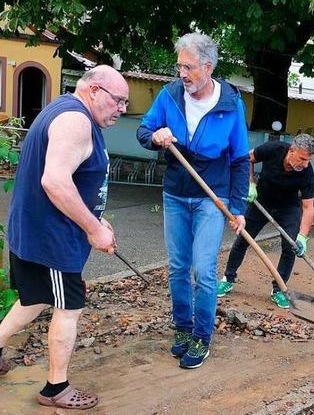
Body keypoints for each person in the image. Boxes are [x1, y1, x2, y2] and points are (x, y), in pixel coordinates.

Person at [0, 65, 127, 409]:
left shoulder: (61, 108)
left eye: (125, 104)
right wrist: (93, 228)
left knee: (35, 298)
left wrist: (99, 222)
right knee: (69, 307)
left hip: (36, 231)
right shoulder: (76, 121)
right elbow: (55, 182)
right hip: (53, 241)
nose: (121, 109)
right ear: (95, 90)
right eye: (118, 101)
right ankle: (56, 388)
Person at [137, 33, 249, 369]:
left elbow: (241, 158)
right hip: (175, 192)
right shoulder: (170, 95)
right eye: (179, 66)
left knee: (203, 269)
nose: (182, 73)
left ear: (208, 67)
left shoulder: (230, 103)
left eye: (188, 67)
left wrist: (239, 207)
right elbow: (144, 130)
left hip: (211, 198)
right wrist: (156, 137)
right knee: (177, 268)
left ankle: (202, 336)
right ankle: (183, 330)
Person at [218, 133, 314, 309]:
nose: (305, 164)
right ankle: (228, 278)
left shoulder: (306, 172)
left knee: (290, 247)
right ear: (291, 150)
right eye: (302, 158)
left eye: (308, 160)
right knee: (244, 238)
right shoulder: (274, 149)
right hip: (261, 201)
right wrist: (250, 183)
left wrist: (302, 237)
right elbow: (248, 158)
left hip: (288, 207)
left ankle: (279, 290)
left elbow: (308, 208)